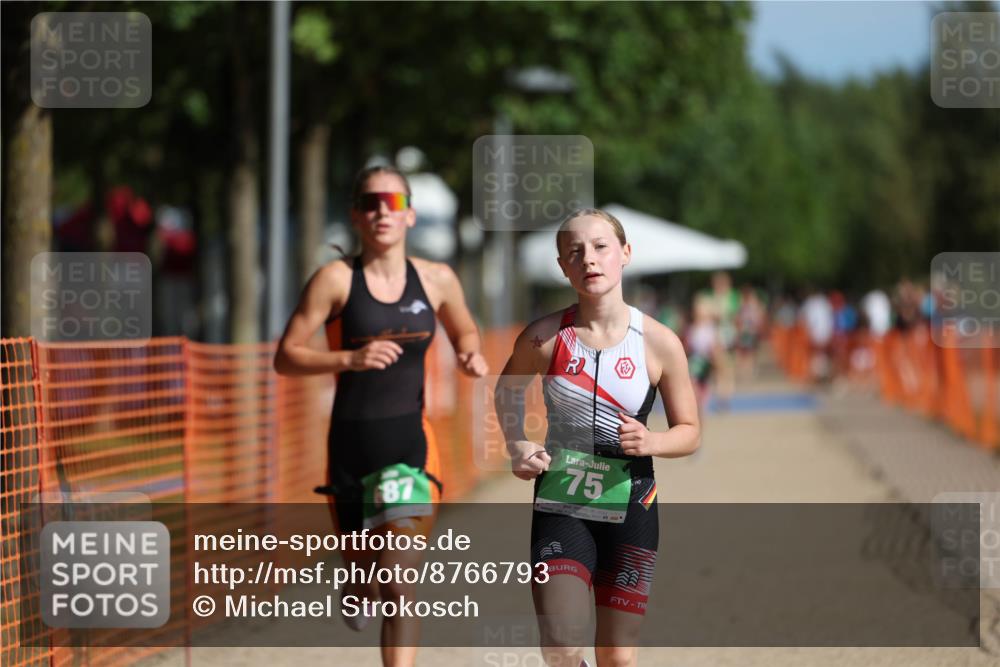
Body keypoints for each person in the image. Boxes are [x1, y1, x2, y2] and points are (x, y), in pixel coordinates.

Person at [273, 165, 488, 667]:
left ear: (410, 214)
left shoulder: (436, 279)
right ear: (355, 216)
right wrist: (348, 358)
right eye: (370, 203)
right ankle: (356, 578)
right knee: (367, 578)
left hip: (410, 448)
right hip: (349, 452)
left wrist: (469, 354)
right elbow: (286, 357)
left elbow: (465, 330)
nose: (382, 212)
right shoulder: (335, 280)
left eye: (393, 202)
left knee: (399, 579)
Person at [494, 209, 700, 667]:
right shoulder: (544, 338)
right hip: (561, 497)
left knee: (618, 656)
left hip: (632, 500)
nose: (588, 258)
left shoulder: (660, 342)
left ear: (625, 253)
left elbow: (690, 432)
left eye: (600, 247)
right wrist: (516, 443)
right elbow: (505, 391)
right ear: (563, 267)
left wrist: (652, 442)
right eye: (575, 252)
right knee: (560, 644)